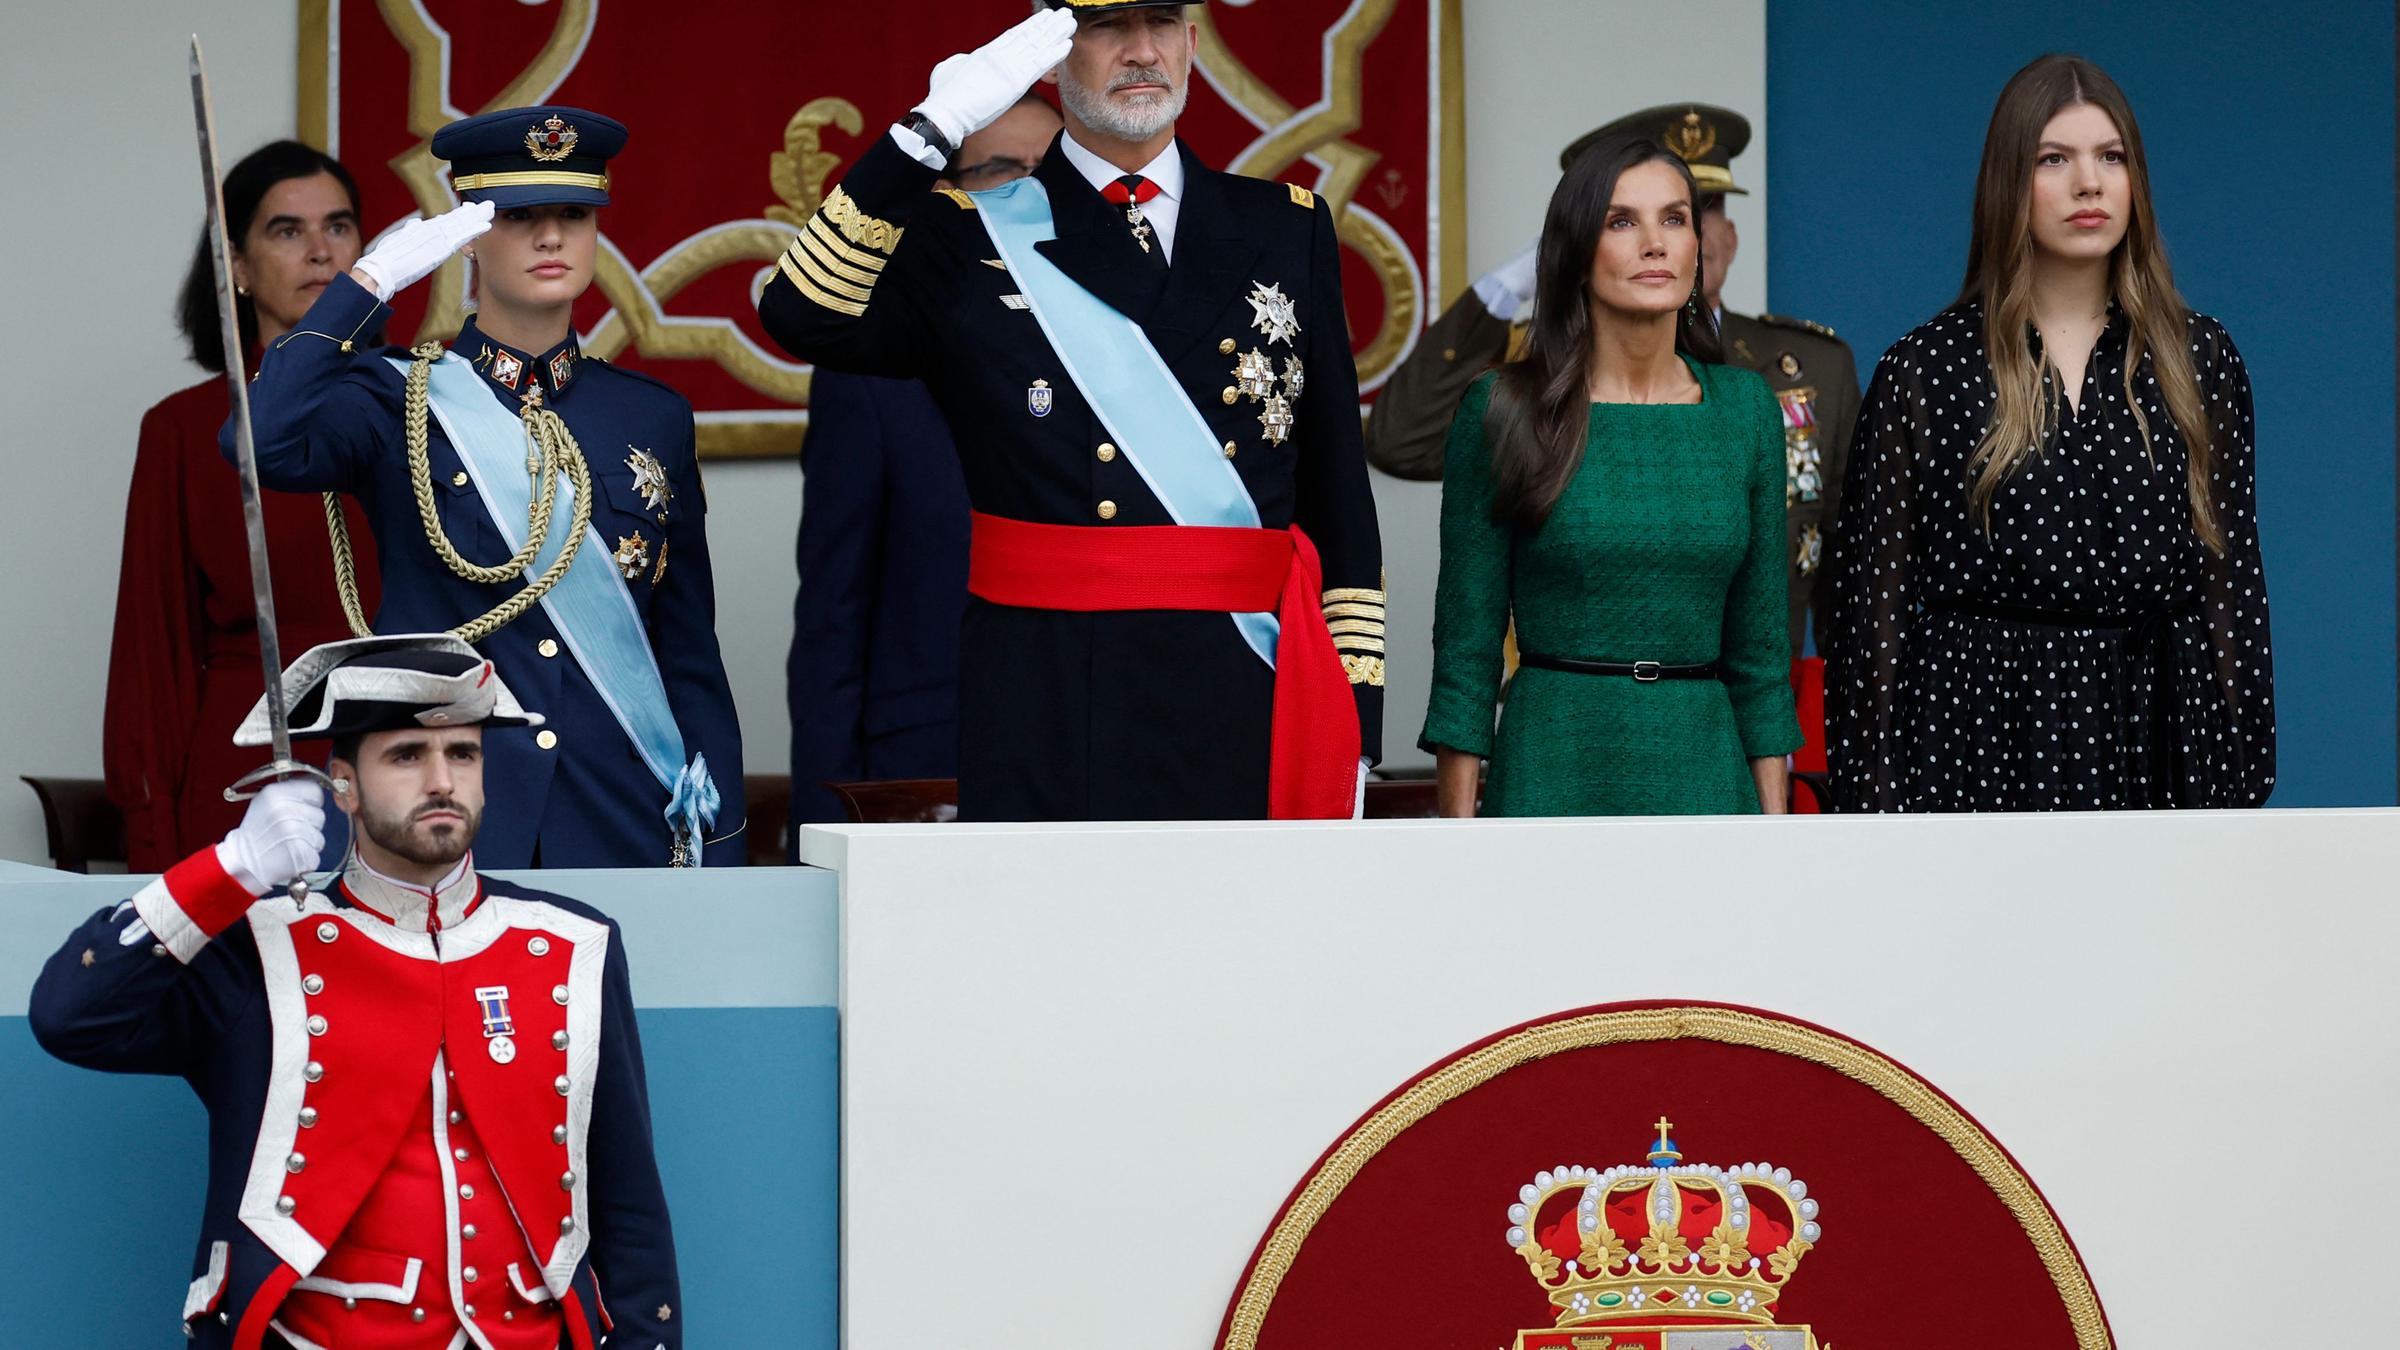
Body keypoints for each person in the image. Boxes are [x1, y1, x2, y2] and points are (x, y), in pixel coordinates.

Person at [758, 3, 1386, 822]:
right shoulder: (967, 233)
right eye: (1107, 28)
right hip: (1047, 699)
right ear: (1052, 57)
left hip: (1247, 687)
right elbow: (800, 313)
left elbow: (1337, 493)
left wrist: (1355, 718)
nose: (1140, 52)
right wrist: (932, 129)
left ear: (1192, 46)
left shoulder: (1282, 226)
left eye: (1161, 24)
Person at [31, 634, 680, 1350]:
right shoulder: (262, 943)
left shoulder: (571, 943)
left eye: (462, 754)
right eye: (406, 755)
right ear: (341, 783)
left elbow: (628, 1209)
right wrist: (233, 868)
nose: (442, 780)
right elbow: (71, 1017)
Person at [235, 106, 746, 865]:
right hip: (450, 815)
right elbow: (261, 442)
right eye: (518, 216)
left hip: (620, 811)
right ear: (471, 234)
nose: (550, 237)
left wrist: (723, 836)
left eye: (573, 214)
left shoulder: (652, 414)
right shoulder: (393, 396)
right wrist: (367, 283)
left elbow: (688, 649)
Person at [1822, 54, 2274, 811]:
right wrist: (1870, 803)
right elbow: (1873, 609)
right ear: (2009, 182)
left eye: (2111, 157)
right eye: (2054, 159)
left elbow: (2231, 579)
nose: (2088, 184)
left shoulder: (2200, 357)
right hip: (1974, 737)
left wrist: (2242, 779)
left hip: (2156, 729)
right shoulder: (1925, 370)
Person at [1365, 104, 1856, 655]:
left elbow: (1849, 578)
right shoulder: (1537, 371)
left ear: (1723, 230)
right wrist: (1507, 287)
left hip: (1764, 711)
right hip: (1576, 699)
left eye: (1690, 209)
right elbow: (1397, 440)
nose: (1658, 238)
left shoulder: (1812, 366)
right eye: (1620, 218)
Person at [1420, 134, 1801, 817]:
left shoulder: (1745, 411)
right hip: (1552, 767)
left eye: (1674, 219)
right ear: (1574, 251)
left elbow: (1762, 658)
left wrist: (1777, 839)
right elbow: (1467, 650)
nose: (1654, 243)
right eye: (1621, 221)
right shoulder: (1504, 407)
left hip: (1706, 780)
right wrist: (1459, 841)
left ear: (1695, 247)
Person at [787, 92, 1061, 836]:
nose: (1034, 191)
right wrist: (822, 818)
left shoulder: (1138, 348)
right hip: (930, 776)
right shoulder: (874, 371)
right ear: (943, 195)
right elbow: (832, 620)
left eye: (1054, 170)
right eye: (1003, 170)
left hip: (1100, 764)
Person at [107, 140, 382, 871]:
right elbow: (151, 658)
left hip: (403, 766)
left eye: (339, 226)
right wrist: (156, 858)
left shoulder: (424, 407)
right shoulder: (181, 430)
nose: (321, 252)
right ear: (235, 264)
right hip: (245, 777)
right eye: (287, 231)